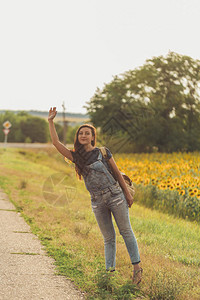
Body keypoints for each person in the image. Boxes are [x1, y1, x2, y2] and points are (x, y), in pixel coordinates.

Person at [48, 107, 143, 284]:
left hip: (116, 196)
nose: (83, 135)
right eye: (80, 133)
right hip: (97, 202)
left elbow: (117, 173)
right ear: (77, 137)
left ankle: (137, 269)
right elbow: (56, 143)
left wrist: (127, 195)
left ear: (92, 137)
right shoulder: (77, 157)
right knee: (108, 238)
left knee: (126, 232)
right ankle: (109, 274)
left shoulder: (103, 152)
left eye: (87, 133)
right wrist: (51, 121)